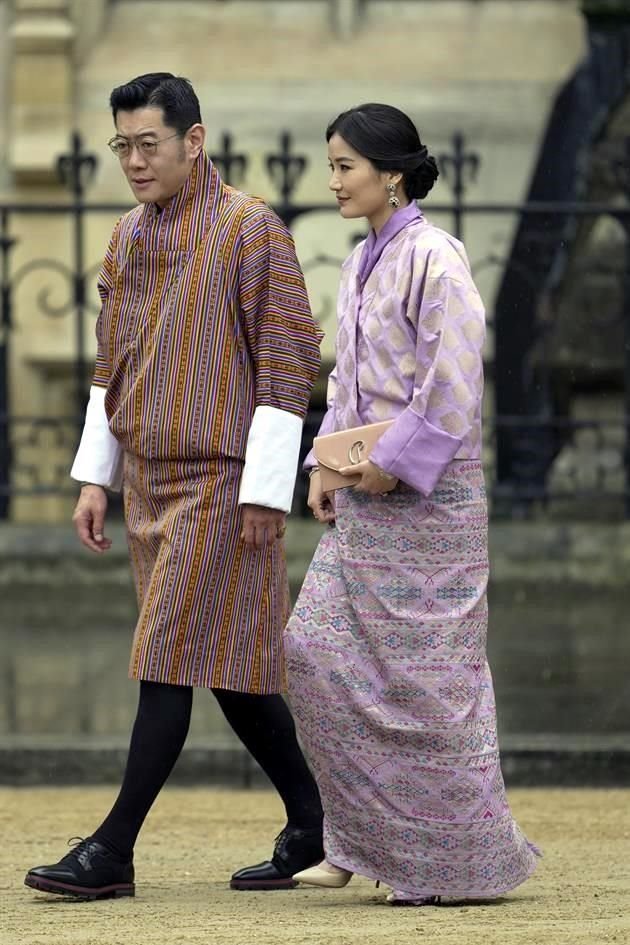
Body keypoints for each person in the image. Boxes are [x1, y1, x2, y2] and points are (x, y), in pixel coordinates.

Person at [24, 73, 325, 900]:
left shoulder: (251, 228)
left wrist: (269, 490)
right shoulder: (126, 236)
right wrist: (96, 478)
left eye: (147, 143)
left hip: (223, 482)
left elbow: (289, 359)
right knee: (229, 667)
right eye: (122, 145)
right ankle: (312, 819)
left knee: (164, 655)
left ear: (195, 140)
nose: (132, 160)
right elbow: (108, 364)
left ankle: (112, 849)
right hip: (150, 483)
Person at [285, 103, 540, 905]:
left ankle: (449, 864)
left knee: (427, 688)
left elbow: (456, 382)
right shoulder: (362, 259)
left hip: (431, 504)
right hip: (369, 493)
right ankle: (356, 834)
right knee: (313, 654)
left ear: (390, 172)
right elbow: (344, 379)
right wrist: (327, 463)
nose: (332, 181)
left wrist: (393, 464)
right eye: (330, 166)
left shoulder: (437, 255)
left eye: (345, 166)